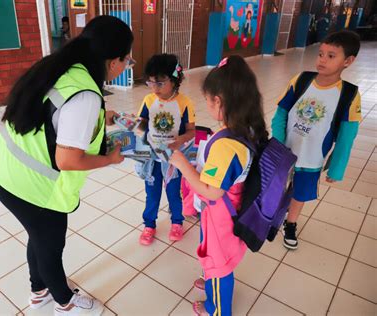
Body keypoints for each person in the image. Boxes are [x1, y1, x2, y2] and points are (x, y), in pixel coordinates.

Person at [0, 16, 134, 316]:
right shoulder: (85, 95)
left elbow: (53, 115)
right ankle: (65, 302)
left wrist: (98, 120)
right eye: (127, 58)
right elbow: (68, 160)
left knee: (38, 236)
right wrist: (110, 159)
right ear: (112, 61)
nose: (128, 64)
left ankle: (38, 291)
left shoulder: (61, 67)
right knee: (50, 246)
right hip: (32, 187)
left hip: (5, 171)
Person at [170, 55, 268, 316]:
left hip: (220, 216)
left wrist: (182, 165)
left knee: (219, 264)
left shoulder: (226, 145)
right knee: (216, 258)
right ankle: (211, 279)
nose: (207, 105)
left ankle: (217, 308)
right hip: (229, 210)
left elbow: (212, 190)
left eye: (207, 100)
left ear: (219, 101)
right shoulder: (244, 129)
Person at [271, 30, 361, 250]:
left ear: (348, 61)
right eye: (321, 54)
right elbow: (281, 114)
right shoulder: (301, 80)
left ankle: (290, 223)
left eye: (331, 56)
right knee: (276, 187)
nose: (322, 59)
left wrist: (336, 169)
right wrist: (278, 144)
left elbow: (346, 136)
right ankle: (269, 216)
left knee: (300, 193)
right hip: (286, 151)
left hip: (312, 158)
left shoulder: (349, 94)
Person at [136, 54, 196, 245]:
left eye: (160, 83)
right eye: (151, 83)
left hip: (173, 158)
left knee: (173, 192)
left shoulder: (184, 103)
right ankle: (149, 224)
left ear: (174, 80)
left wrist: (180, 140)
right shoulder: (148, 100)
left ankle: (177, 222)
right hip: (152, 157)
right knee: (151, 193)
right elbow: (142, 125)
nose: (154, 88)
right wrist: (131, 124)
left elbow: (191, 131)